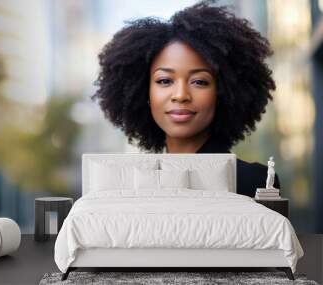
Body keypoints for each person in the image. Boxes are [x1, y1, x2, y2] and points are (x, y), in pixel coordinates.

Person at [90, 0, 280, 197]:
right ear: (143, 92)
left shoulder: (255, 183)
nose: (180, 95)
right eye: (164, 81)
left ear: (223, 93)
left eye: (199, 81)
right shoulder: (134, 185)